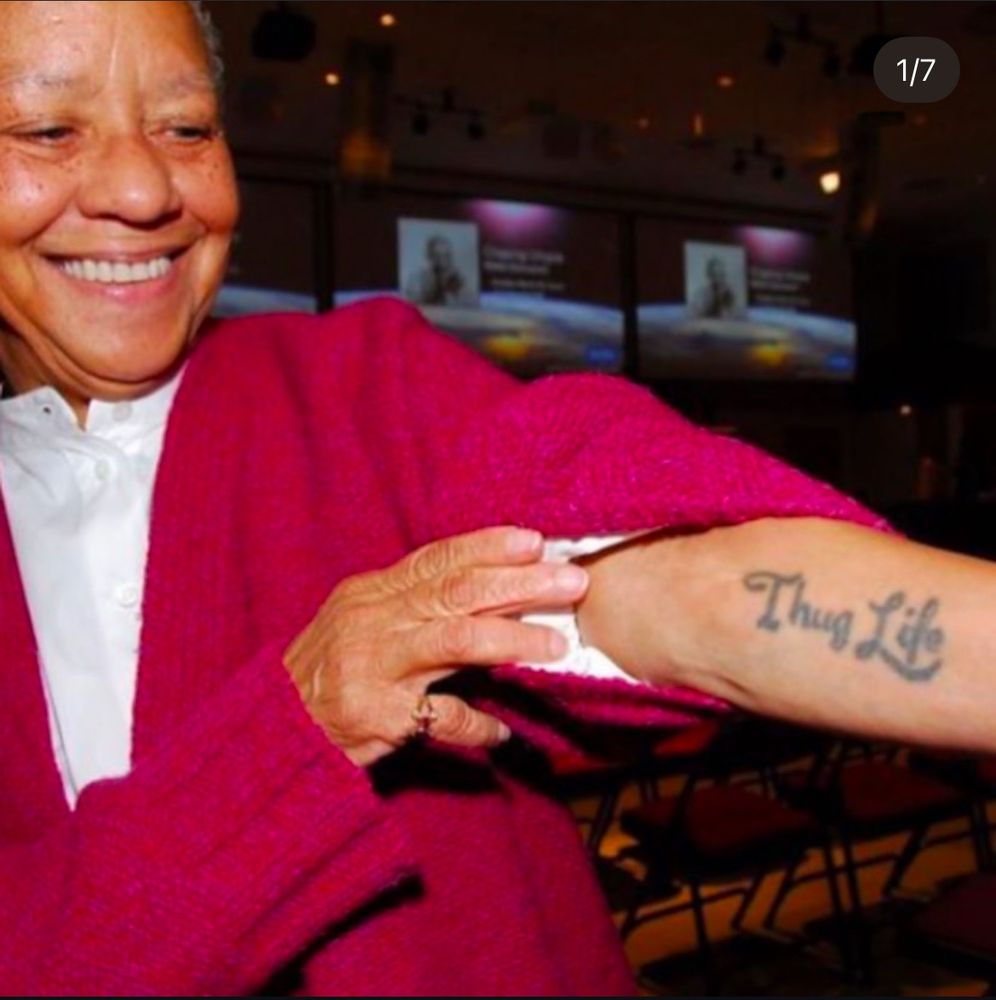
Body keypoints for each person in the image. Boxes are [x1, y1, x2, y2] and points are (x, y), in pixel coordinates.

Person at [3, 2, 996, 995]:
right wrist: (294, 731)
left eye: (187, 128)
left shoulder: (355, 384)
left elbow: (666, 575)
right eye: (49, 130)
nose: (142, 187)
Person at [404, 232, 476, 306]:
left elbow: (471, 306)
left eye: (446, 256)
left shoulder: (460, 280)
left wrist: (455, 293)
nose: (442, 261)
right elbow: (410, 304)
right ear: (429, 256)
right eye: (437, 256)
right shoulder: (416, 279)